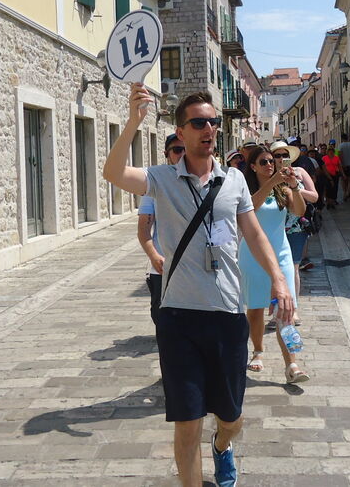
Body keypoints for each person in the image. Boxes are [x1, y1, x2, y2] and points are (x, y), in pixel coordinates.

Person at [103, 85, 293, 487]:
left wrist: (278, 278)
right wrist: (134, 123)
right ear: (181, 132)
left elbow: (254, 233)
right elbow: (113, 173)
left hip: (226, 314)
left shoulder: (236, 180)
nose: (209, 129)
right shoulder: (162, 179)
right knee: (187, 424)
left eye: (213, 122)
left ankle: (223, 446)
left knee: (232, 418)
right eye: (199, 123)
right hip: (178, 317)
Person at [240, 145, 310, 384]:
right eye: (264, 162)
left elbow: (300, 211)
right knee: (256, 308)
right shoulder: (246, 190)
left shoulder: (282, 189)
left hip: (281, 255)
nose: (270, 165)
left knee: (285, 310)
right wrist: (270, 183)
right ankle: (258, 350)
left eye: (272, 161)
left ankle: (292, 363)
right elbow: (251, 207)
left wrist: (293, 186)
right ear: (253, 167)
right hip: (252, 255)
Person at [138, 134, 184, 325]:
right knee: (162, 317)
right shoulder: (155, 184)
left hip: (196, 266)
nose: (182, 154)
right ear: (167, 154)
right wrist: (154, 256)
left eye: (186, 149)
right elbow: (143, 230)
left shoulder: (205, 182)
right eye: (177, 150)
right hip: (164, 265)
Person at [271, 140, 319, 322]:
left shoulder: (299, 172)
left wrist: (295, 186)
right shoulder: (268, 174)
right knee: (275, 270)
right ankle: (277, 309)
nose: (281, 159)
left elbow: (314, 197)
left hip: (296, 226)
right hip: (274, 227)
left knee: (293, 267)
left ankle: (294, 308)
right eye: (277, 156)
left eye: (285, 155)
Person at [322, 140, 342, 209]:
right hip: (327, 175)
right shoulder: (324, 158)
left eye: (332, 150)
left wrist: (343, 174)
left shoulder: (336, 158)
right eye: (329, 150)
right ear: (327, 151)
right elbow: (322, 167)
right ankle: (328, 202)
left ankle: (332, 202)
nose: (331, 151)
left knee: (334, 189)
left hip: (335, 175)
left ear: (333, 151)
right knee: (328, 189)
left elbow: (340, 166)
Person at [338, 133, 350, 201]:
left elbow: (339, 156)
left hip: (343, 165)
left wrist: (342, 164)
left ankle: (345, 193)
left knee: (343, 180)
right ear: (348, 138)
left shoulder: (340, 146)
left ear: (342, 138)